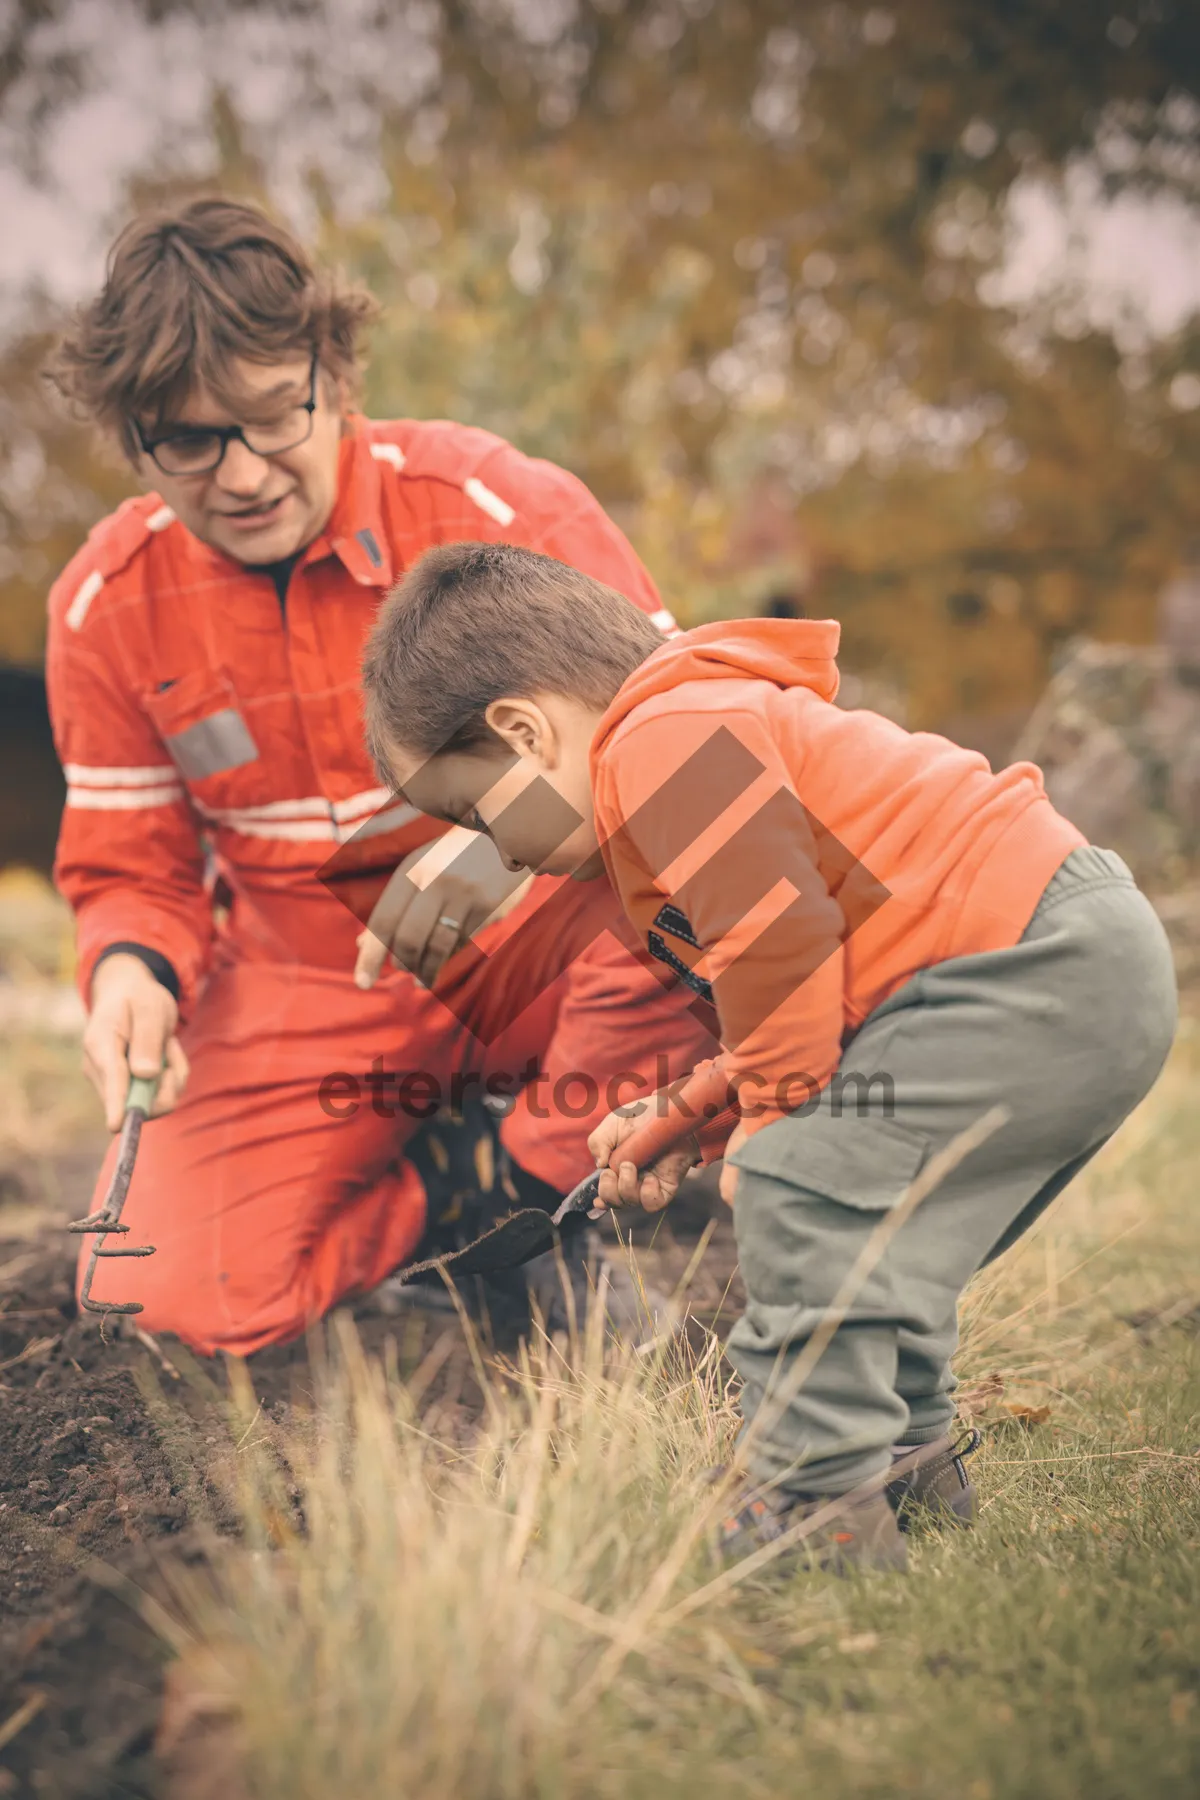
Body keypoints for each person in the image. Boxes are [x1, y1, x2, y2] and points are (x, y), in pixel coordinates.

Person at [360, 540, 1179, 1573]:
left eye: (481, 814)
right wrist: (690, 1109)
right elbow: (807, 998)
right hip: (1059, 963)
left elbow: (777, 945)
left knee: (801, 1183)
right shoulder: (693, 742)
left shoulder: (663, 735)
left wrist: (771, 1128)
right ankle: (902, 1461)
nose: (501, 854)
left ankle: (811, 1497)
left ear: (525, 731)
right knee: (880, 1226)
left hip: (1026, 962)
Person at [45, 198, 710, 1355]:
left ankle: (551, 1201)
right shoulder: (105, 608)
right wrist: (129, 972)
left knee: (698, 907)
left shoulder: (500, 511)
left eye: (272, 416)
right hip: (313, 986)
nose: (244, 474)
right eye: (191, 442)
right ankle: (454, 1193)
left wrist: (518, 839)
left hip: (553, 949)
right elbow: (130, 869)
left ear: (334, 372)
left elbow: (692, 754)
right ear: (134, 436)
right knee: (138, 1282)